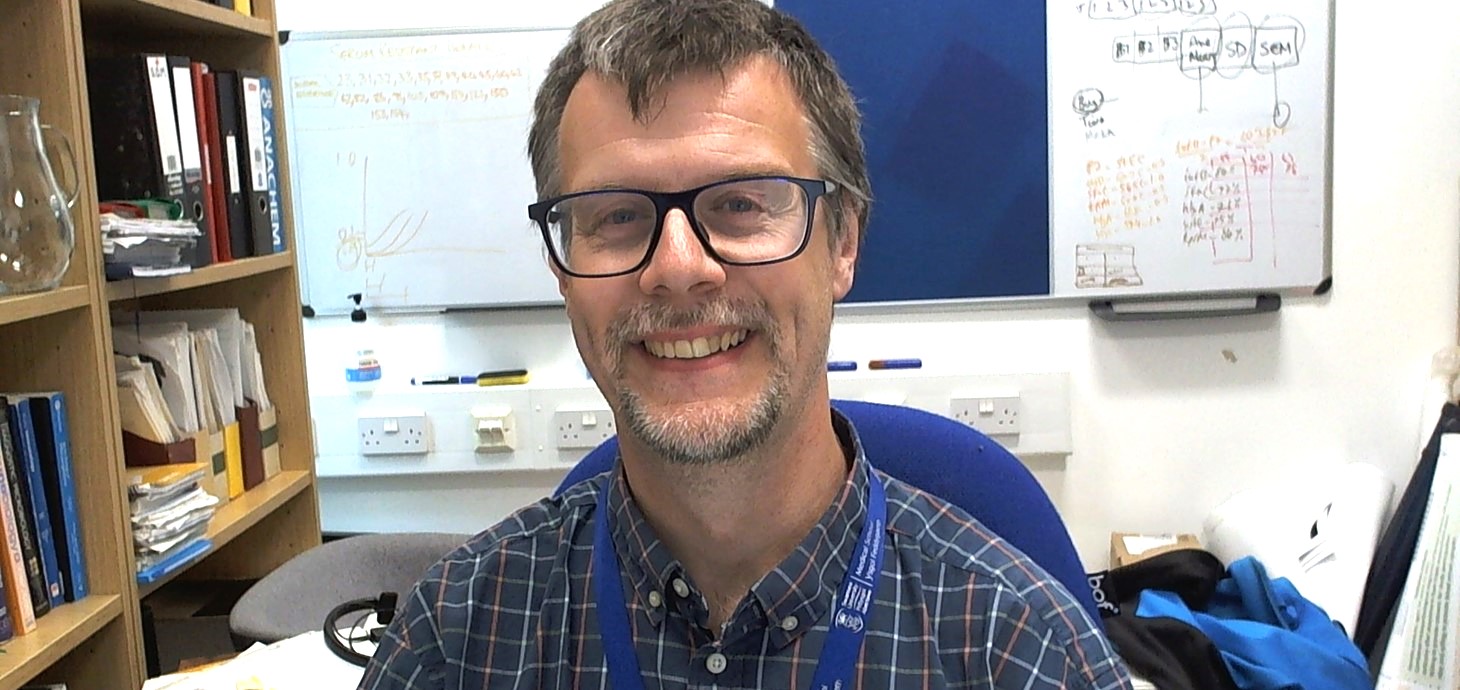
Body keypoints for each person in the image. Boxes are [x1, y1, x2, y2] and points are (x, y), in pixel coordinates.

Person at [359, 1, 1132, 688]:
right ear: (563, 267)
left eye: (739, 204)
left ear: (843, 245)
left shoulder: (1025, 651)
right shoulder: (453, 641)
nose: (679, 269)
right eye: (617, 215)